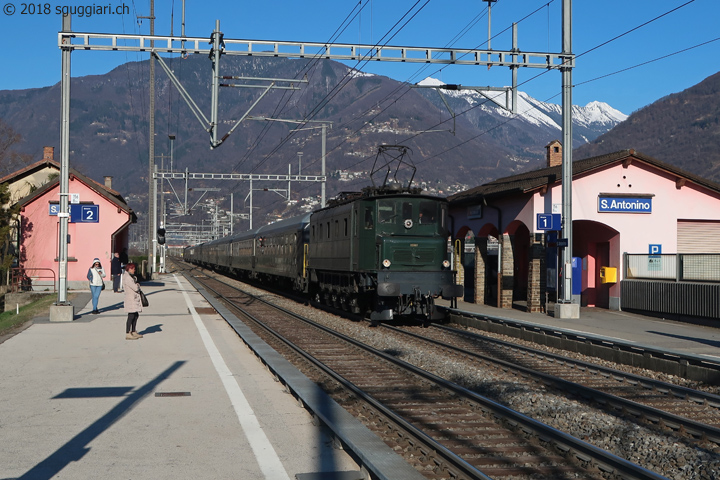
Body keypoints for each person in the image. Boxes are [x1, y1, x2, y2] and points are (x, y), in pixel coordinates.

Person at [123, 263, 143, 340]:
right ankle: (128, 333)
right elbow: (135, 287)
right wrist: (137, 285)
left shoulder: (131, 277)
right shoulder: (128, 278)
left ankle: (133, 331)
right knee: (131, 316)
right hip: (131, 299)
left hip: (134, 298)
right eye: (133, 268)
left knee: (136, 315)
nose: (134, 270)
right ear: (129, 269)